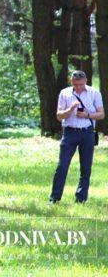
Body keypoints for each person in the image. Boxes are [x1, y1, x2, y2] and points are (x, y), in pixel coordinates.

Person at [49, 70, 104, 204]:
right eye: (75, 84)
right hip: (69, 132)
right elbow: (59, 116)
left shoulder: (94, 93)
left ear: (85, 81)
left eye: (80, 84)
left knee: (86, 167)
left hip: (87, 132)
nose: (78, 87)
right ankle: (54, 198)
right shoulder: (65, 93)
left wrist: (87, 115)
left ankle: (80, 199)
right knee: (62, 166)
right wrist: (70, 109)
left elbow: (101, 114)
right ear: (71, 82)